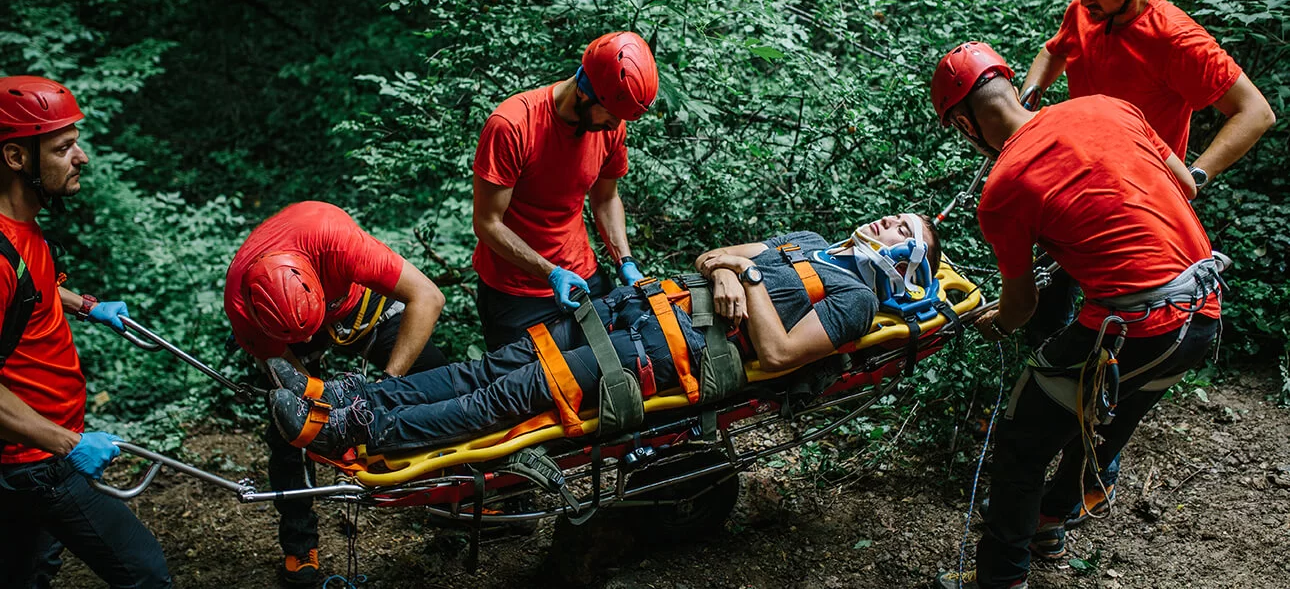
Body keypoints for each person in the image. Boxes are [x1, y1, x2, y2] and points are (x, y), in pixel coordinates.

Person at [268, 215, 942, 458]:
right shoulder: (812, 242)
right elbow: (715, 257)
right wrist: (731, 268)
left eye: (905, 230)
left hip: (668, 352)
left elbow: (780, 353)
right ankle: (343, 397)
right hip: (642, 309)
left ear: (905, 263)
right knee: (493, 366)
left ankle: (356, 429)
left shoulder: (853, 300)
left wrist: (748, 281)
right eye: (894, 215)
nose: (889, 221)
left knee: (518, 393)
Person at [929, 43, 1222, 589]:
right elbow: (1183, 184)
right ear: (1012, 88)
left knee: (1022, 440)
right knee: (1106, 420)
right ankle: (1046, 526)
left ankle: (1000, 577)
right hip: (1204, 309)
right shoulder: (1107, 106)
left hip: (1135, 326)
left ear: (966, 125)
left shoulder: (1002, 189)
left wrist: (997, 322)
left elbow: (1021, 307)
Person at [1017, 0, 1273, 522]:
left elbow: (1254, 112)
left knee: (1124, 350)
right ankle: (1040, 423)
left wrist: (1195, 176)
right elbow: (1057, 47)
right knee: (1053, 320)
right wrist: (1031, 94)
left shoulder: (1175, 38)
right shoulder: (1088, 6)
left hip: (1138, 212)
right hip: (1077, 197)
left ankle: (1084, 482)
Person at [0, 76, 171, 588]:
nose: (83, 157)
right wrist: (66, 444)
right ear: (15, 158)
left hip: (44, 448)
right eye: (63, 147)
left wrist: (85, 304)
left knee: (28, 573)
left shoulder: (24, 232)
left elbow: (30, 291)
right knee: (145, 575)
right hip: (35, 460)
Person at [223, 201, 450, 585]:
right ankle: (300, 546)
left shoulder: (336, 241)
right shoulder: (243, 307)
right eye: (303, 335)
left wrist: (385, 389)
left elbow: (429, 298)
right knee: (288, 430)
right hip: (281, 332)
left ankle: (459, 491)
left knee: (434, 376)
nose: (312, 339)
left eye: (309, 331)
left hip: (351, 302)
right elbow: (293, 382)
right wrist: (332, 423)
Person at [472, 31, 658, 351]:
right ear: (585, 93)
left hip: (584, 277)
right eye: (612, 116)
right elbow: (488, 223)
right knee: (528, 393)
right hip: (515, 294)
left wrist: (624, 261)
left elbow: (606, 198)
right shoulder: (513, 125)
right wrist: (550, 273)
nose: (616, 126)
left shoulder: (610, 126)